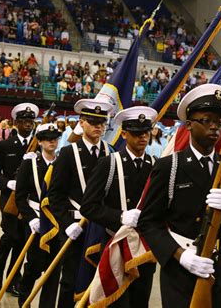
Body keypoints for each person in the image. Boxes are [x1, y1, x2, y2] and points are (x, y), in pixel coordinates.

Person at [138, 84, 221, 308]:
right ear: (189, 125)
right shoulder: (169, 166)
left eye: (219, 122)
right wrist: (180, 255)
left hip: (217, 266)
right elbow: (148, 222)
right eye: (206, 120)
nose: (214, 127)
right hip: (180, 269)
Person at [81, 106, 158, 307]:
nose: (143, 137)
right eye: (136, 133)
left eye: (146, 132)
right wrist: (120, 217)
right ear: (123, 134)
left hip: (144, 248)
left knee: (140, 301)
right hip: (115, 244)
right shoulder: (109, 164)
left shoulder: (155, 165)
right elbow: (88, 206)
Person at [47, 98, 113, 307]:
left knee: (98, 280)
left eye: (102, 123)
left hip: (102, 226)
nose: (98, 127)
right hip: (76, 227)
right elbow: (55, 195)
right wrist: (67, 225)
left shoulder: (110, 152)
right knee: (70, 280)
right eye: (93, 122)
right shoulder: (68, 153)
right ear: (82, 123)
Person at [0, 103, 39, 296]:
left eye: (31, 121)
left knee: (22, 242)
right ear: (15, 122)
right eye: (24, 121)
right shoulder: (5, 145)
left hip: (28, 201)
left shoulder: (38, 145)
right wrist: (7, 184)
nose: (28, 124)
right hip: (9, 198)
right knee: (10, 236)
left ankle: (13, 279)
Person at [15, 123, 61, 307]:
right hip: (35, 220)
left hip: (57, 222)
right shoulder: (30, 163)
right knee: (34, 265)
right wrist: (31, 218)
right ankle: (23, 301)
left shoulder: (62, 163)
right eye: (47, 139)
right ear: (40, 142)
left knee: (53, 270)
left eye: (55, 138)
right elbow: (20, 197)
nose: (52, 141)